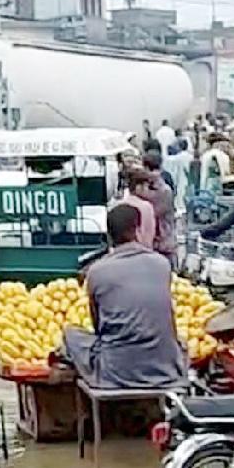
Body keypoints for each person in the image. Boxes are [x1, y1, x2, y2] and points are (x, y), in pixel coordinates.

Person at [62, 205, 187, 389]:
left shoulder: (97, 272)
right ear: (137, 230)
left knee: (70, 334)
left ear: (109, 236)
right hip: (164, 369)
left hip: (116, 373)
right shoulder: (161, 264)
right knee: (180, 342)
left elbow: (99, 326)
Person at [142, 151, 178, 267]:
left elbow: (153, 213)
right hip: (160, 241)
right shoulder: (158, 185)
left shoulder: (161, 190)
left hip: (161, 243)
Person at [122, 169, 156, 248]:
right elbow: (149, 235)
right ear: (139, 187)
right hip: (142, 250)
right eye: (147, 186)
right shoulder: (146, 207)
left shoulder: (119, 205)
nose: (148, 190)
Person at [164, 137, 193, 214]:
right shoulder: (190, 156)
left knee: (180, 200)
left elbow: (169, 164)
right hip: (189, 180)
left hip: (181, 180)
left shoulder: (177, 158)